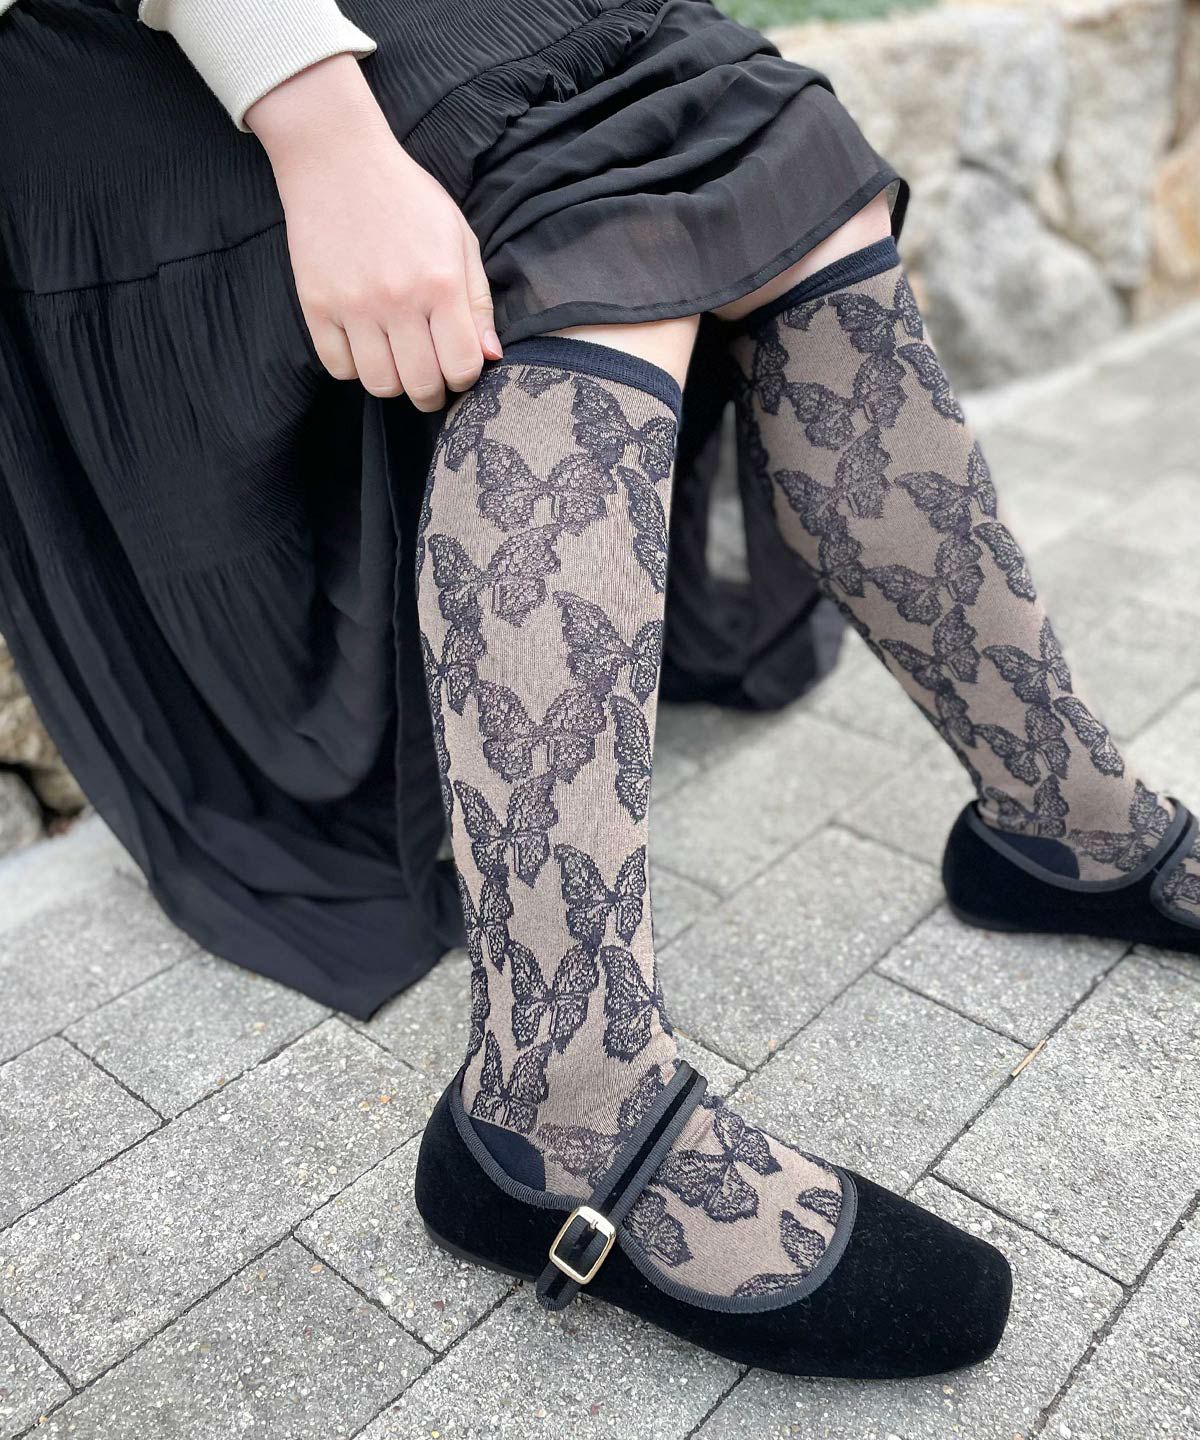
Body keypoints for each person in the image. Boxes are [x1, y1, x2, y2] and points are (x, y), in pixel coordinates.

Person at [3, 0, 1198, 1381]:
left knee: (788, 160)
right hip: (173, 61)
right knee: (587, 223)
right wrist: (315, 123)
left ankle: (1062, 818)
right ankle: (558, 1099)